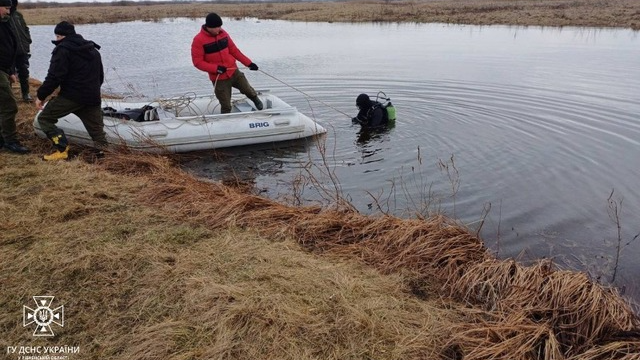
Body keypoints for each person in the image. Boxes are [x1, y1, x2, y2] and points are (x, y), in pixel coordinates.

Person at [35, 21, 107, 161]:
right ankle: (104, 156)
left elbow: (54, 76)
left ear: (60, 35)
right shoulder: (93, 49)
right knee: (97, 131)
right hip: (92, 97)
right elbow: (100, 77)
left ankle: (62, 149)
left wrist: (41, 95)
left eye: (57, 37)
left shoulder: (62, 50)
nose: (56, 40)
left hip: (72, 96)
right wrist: (92, 91)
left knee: (44, 119)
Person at [191, 12, 263, 114]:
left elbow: (234, 51)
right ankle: (225, 121)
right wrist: (216, 68)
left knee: (247, 89)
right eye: (216, 27)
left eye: (220, 26)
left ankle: (255, 99)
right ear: (209, 27)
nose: (219, 29)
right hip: (219, 78)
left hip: (234, 71)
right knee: (225, 104)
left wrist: (249, 63)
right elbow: (197, 62)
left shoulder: (223, 34)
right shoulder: (198, 40)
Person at [0, 0, 29, 154]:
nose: (8, 11)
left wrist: (10, 71)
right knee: (9, 106)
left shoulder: (5, 23)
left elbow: (9, 48)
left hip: (4, 70)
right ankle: (10, 141)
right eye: (5, 8)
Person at [8, 0, 31, 102]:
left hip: (22, 51)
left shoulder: (18, 15)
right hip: (8, 52)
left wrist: (28, 40)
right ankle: (8, 97)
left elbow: (26, 28)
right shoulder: (3, 15)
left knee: (24, 72)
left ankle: (26, 94)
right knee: (8, 74)